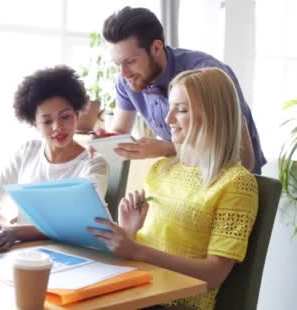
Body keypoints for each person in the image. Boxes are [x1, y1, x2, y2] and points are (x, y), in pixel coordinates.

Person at [88, 67, 259, 310]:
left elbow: (214, 274)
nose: (168, 120)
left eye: (181, 110)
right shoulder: (161, 169)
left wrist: (137, 250)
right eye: (170, 108)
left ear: (213, 115)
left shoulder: (236, 183)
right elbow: (147, 248)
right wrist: (129, 231)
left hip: (176, 304)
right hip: (138, 291)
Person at [0, 65, 108, 252]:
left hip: (75, 256)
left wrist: (16, 232)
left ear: (77, 115)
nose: (57, 127)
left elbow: (75, 224)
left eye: (65, 117)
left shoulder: (93, 164)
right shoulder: (28, 152)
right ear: (34, 123)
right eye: (47, 121)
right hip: (28, 252)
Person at [98, 6, 265, 174]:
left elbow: (241, 157)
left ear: (156, 48)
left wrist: (168, 149)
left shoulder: (207, 74)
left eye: (130, 61)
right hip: (188, 180)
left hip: (236, 183)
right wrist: (102, 143)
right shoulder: (128, 80)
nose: (123, 73)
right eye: (118, 64)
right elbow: (119, 131)